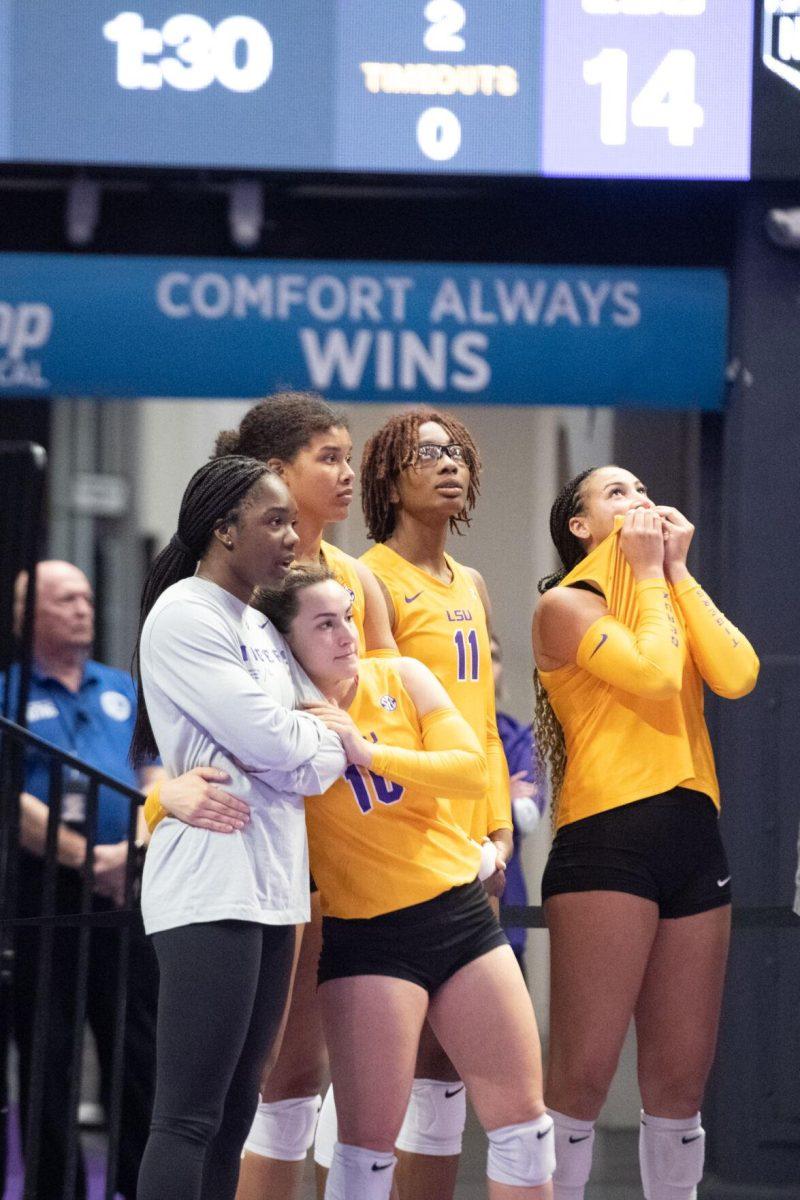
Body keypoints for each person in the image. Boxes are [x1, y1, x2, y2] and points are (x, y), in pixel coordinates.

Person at [145, 391, 396, 1200]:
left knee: (233, 1114)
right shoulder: (187, 615)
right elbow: (286, 744)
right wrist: (324, 741)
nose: (295, 539)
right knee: (186, 1118)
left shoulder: (256, 623)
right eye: (276, 522)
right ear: (225, 529)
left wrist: (318, 739)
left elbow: (317, 738)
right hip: (209, 887)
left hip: (272, 887)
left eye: (294, 523)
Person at [255, 566, 554, 1200]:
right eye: (325, 622)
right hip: (369, 939)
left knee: (526, 1130)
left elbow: (471, 771)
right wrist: (168, 797)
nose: (347, 633)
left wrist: (368, 751)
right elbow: (190, 783)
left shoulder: (402, 677)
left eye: (350, 615)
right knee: (365, 1154)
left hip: (463, 918)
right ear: (286, 641)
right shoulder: (274, 720)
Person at [531, 466, 759, 1200]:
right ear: (580, 525)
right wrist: (649, 574)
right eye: (616, 493)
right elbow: (658, 678)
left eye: (641, 489)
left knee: (680, 1083)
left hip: (695, 837)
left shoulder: (667, 592)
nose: (639, 499)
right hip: (608, 841)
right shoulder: (566, 606)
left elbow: (739, 674)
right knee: (584, 1075)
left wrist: (679, 570)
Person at [314, 407, 510, 1200]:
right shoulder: (367, 578)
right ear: (387, 479)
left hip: (471, 844)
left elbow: (484, 730)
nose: (447, 462)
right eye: (425, 453)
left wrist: (497, 831)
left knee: (445, 1076)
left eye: (455, 450)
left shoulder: (472, 582)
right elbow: (369, 717)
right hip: (390, 849)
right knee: (364, 1085)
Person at [1, 560, 160, 1200]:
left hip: (129, 890)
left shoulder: (121, 688)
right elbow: (11, 802)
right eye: (66, 599)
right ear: (27, 615)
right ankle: (54, 1188)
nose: (83, 608)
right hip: (46, 897)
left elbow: (158, 780)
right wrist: (84, 858)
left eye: (88, 598)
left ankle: (138, 1182)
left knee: (139, 1046)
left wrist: (131, 853)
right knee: (50, 1052)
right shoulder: (8, 696)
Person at [491, 634, 543, 977]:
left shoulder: (518, 737)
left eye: (493, 656)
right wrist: (498, 792)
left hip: (505, 907)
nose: (483, 664)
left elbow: (526, 815)